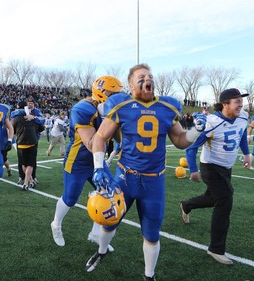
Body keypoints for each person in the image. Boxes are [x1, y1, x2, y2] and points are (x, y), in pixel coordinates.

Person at [86, 64, 207, 280]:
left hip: (154, 181)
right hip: (125, 177)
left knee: (152, 233)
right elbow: (100, 137)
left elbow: (180, 141)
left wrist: (196, 131)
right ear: (131, 85)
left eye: (150, 76)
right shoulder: (120, 103)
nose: (148, 79)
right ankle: (101, 251)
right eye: (141, 77)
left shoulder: (167, 107)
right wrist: (97, 166)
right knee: (109, 220)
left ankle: (148, 275)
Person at [180, 88, 251, 266]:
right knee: (225, 200)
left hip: (227, 166)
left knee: (213, 198)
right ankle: (216, 249)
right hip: (211, 167)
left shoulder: (243, 116)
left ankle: (186, 205)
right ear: (225, 104)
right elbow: (191, 148)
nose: (241, 104)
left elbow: (241, 134)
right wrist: (194, 170)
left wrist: (247, 153)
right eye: (237, 101)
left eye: (241, 101)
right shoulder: (212, 123)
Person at [50, 76, 123, 250]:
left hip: (97, 161)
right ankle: (56, 224)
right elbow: (91, 144)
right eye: (113, 94)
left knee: (109, 193)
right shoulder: (83, 108)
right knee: (70, 198)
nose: (117, 98)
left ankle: (96, 233)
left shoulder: (112, 109)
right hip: (78, 161)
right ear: (102, 93)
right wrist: (108, 119)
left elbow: (121, 137)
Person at [11, 101, 39, 190]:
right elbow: (41, 127)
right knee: (30, 164)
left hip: (21, 142)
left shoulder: (15, 118)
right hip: (32, 142)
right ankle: (28, 182)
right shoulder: (32, 117)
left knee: (23, 164)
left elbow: (11, 129)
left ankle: (28, 181)